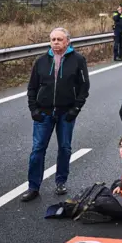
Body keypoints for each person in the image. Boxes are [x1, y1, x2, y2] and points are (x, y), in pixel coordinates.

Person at [22, 27, 90, 202]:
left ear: (67, 41)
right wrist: (33, 109)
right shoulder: (41, 61)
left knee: (65, 148)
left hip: (66, 113)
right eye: (53, 39)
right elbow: (32, 87)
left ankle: (61, 182)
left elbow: (84, 87)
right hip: (43, 113)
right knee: (37, 149)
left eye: (59, 39)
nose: (56, 43)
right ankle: (33, 187)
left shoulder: (78, 60)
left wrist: (75, 109)